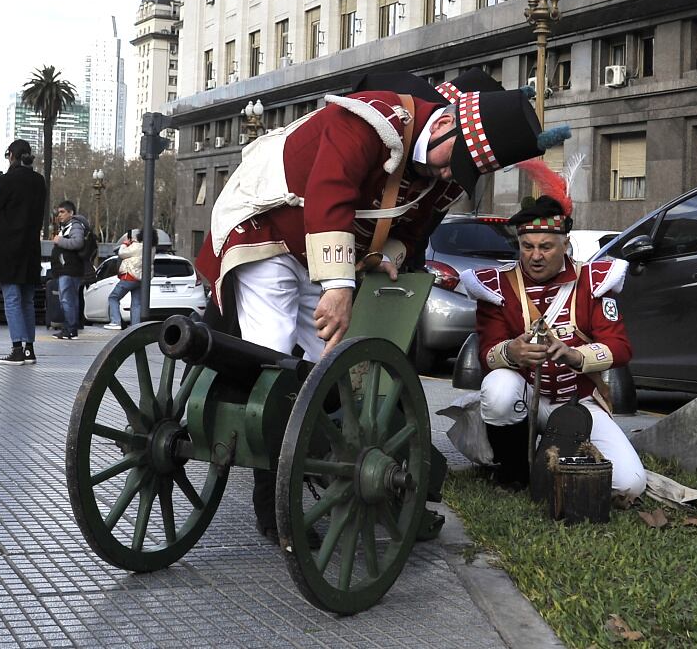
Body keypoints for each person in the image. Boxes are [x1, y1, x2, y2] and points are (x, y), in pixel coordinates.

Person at [195, 83, 564, 539]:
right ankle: (271, 504)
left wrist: (388, 253)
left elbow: (412, 229)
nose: (451, 175)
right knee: (272, 359)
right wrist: (337, 286)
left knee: (331, 366)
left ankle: (328, 462)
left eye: (462, 171)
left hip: (311, 251)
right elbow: (331, 191)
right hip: (263, 229)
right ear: (446, 124)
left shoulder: (439, 171)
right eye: (455, 162)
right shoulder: (370, 119)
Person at [473, 193, 647, 501]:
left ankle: (550, 453)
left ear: (564, 246)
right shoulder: (497, 285)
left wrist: (574, 355)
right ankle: (515, 473)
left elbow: (620, 348)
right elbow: (486, 354)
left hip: (579, 403)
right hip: (525, 402)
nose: (535, 256)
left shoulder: (594, 280)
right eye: (527, 247)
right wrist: (511, 353)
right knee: (498, 387)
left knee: (629, 485)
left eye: (545, 247)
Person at [0, 138, 46, 365]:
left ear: (11, 155)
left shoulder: (7, 180)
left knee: (11, 298)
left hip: (9, 246)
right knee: (27, 300)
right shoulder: (39, 181)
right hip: (30, 247)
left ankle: (16, 349)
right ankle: (29, 349)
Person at [49, 200, 92, 339]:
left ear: (71, 213)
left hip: (70, 270)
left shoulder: (75, 226)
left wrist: (59, 241)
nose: (59, 215)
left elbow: (78, 242)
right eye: (58, 212)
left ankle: (71, 329)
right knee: (69, 299)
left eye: (62, 212)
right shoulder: (67, 226)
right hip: (67, 269)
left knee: (67, 300)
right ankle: (70, 328)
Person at [104, 229, 146, 330]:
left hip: (129, 276)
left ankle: (116, 321)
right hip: (141, 278)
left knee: (113, 297)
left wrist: (125, 244)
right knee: (136, 304)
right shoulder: (151, 247)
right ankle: (135, 327)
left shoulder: (137, 246)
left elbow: (121, 253)